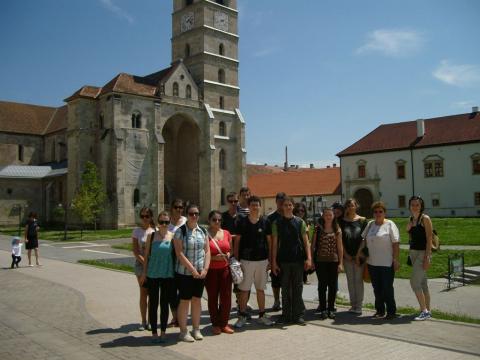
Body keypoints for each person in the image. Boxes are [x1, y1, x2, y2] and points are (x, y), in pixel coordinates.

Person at [234, 195, 274, 328]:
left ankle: (262, 315)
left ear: (260, 206)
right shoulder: (242, 222)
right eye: (252, 205)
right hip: (246, 261)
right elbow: (237, 241)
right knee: (244, 290)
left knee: (260, 289)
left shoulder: (265, 222)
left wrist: (270, 260)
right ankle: (242, 315)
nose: (255, 207)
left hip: (262, 261)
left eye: (257, 205)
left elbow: (269, 241)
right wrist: (236, 259)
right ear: (249, 207)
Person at [272, 196, 312, 325]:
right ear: (282, 207)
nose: (288, 207)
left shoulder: (300, 222)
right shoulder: (276, 223)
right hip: (283, 260)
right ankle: (285, 315)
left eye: (290, 205)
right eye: (285, 205)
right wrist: (273, 262)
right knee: (285, 288)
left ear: (293, 206)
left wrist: (309, 258)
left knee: (297, 288)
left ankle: (297, 315)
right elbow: (274, 244)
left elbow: (306, 243)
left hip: (298, 259)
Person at [173, 204, 211, 342]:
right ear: (187, 214)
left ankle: (196, 329)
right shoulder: (180, 231)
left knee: (197, 300)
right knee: (184, 301)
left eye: (196, 213)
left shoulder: (203, 231)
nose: (194, 216)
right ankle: (183, 332)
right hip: (184, 273)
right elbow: (179, 253)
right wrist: (192, 270)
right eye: (191, 213)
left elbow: (207, 251)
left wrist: (205, 269)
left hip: (200, 273)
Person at [357, 201, 400, 320]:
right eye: (375, 212)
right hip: (372, 263)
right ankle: (380, 310)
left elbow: (396, 244)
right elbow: (363, 240)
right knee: (377, 288)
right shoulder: (370, 224)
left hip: (387, 263)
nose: (378, 213)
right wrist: (359, 254)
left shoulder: (390, 224)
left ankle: (391, 311)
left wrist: (396, 260)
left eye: (380, 211)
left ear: (384, 212)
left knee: (387, 288)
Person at [140, 211, 176, 343]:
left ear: (169, 222)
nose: (164, 224)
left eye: (167, 222)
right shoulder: (151, 235)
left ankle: (163, 331)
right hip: (153, 274)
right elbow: (146, 257)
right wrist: (144, 273)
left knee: (164, 304)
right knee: (153, 304)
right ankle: (154, 331)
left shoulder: (172, 236)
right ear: (157, 222)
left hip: (167, 274)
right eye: (162, 222)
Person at [205, 210, 234, 335]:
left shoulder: (226, 233)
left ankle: (224, 323)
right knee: (212, 297)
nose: (217, 222)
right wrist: (213, 257)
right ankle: (215, 324)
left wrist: (228, 254)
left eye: (219, 220)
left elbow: (230, 250)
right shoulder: (205, 234)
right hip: (211, 271)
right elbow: (203, 253)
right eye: (214, 220)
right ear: (209, 221)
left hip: (225, 269)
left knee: (226, 297)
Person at [311, 207, 343, 319]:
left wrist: (341, 263)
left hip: (334, 261)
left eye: (330, 215)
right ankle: (323, 309)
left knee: (333, 286)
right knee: (322, 285)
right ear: (323, 216)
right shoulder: (318, 228)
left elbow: (340, 247)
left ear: (333, 216)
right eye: (326, 215)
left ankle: (331, 309)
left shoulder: (337, 229)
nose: (328, 217)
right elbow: (313, 246)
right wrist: (312, 261)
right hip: (320, 261)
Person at [407, 195, 433, 321]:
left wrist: (428, 257)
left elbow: (429, 238)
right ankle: (428, 310)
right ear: (409, 206)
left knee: (414, 282)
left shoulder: (425, 218)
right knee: (423, 283)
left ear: (421, 205)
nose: (415, 207)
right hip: (413, 253)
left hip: (423, 253)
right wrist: (410, 224)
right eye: (412, 205)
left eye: (417, 205)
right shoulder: (412, 218)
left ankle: (424, 311)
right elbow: (408, 232)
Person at [341, 198, 367, 314]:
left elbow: (364, 239)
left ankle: (359, 305)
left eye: (352, 205)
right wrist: (345, 254)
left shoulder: (362, 221)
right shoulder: (341, 221)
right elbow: (340, 239)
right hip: (347, 256)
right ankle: (353, 305)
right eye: (348, 205)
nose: (350, 207)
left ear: (356, 206)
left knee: (358, 280)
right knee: (350, 281)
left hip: (359, 256)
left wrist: (358, 255)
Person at [132, 207, 155, 331]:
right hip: (141, 266)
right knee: (143, 293)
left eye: (147, 216)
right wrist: (146, 263)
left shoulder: (154, 231)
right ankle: (143, 321)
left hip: (153, 266)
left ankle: (151, 321)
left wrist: (152, 264)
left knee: (152, 294)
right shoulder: (137, 231)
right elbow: (135, 251)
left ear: (151, 217)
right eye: (142, 216)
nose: (145, 219)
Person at [167, 198, 187, 327]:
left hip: (184, 258)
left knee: (183, 290)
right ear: (171, 208)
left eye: (181, 207)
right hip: (170, 259)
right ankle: (175, 317)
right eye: (176, 207)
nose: (179, 209)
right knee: (171, 291)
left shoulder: (185, 221)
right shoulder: (166, 222)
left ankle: (180, 316)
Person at [265, 192, 286, 311]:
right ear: (276, 202)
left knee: (287, 279)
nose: (282, 204)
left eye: (283, 202)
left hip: (287, 253)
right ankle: (276, 300)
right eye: (280, 202)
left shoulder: (289, 215)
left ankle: (286, 301)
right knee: (275, 280)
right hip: (275, 253)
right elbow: (267, 238)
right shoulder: (270, 218)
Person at [293, 202, 311, 285]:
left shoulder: (306, 222)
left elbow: (308, 237)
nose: (300, 213)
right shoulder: (293, 221)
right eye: (298, 211)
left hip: (304, 246)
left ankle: (305, 277)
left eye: (302, 211)